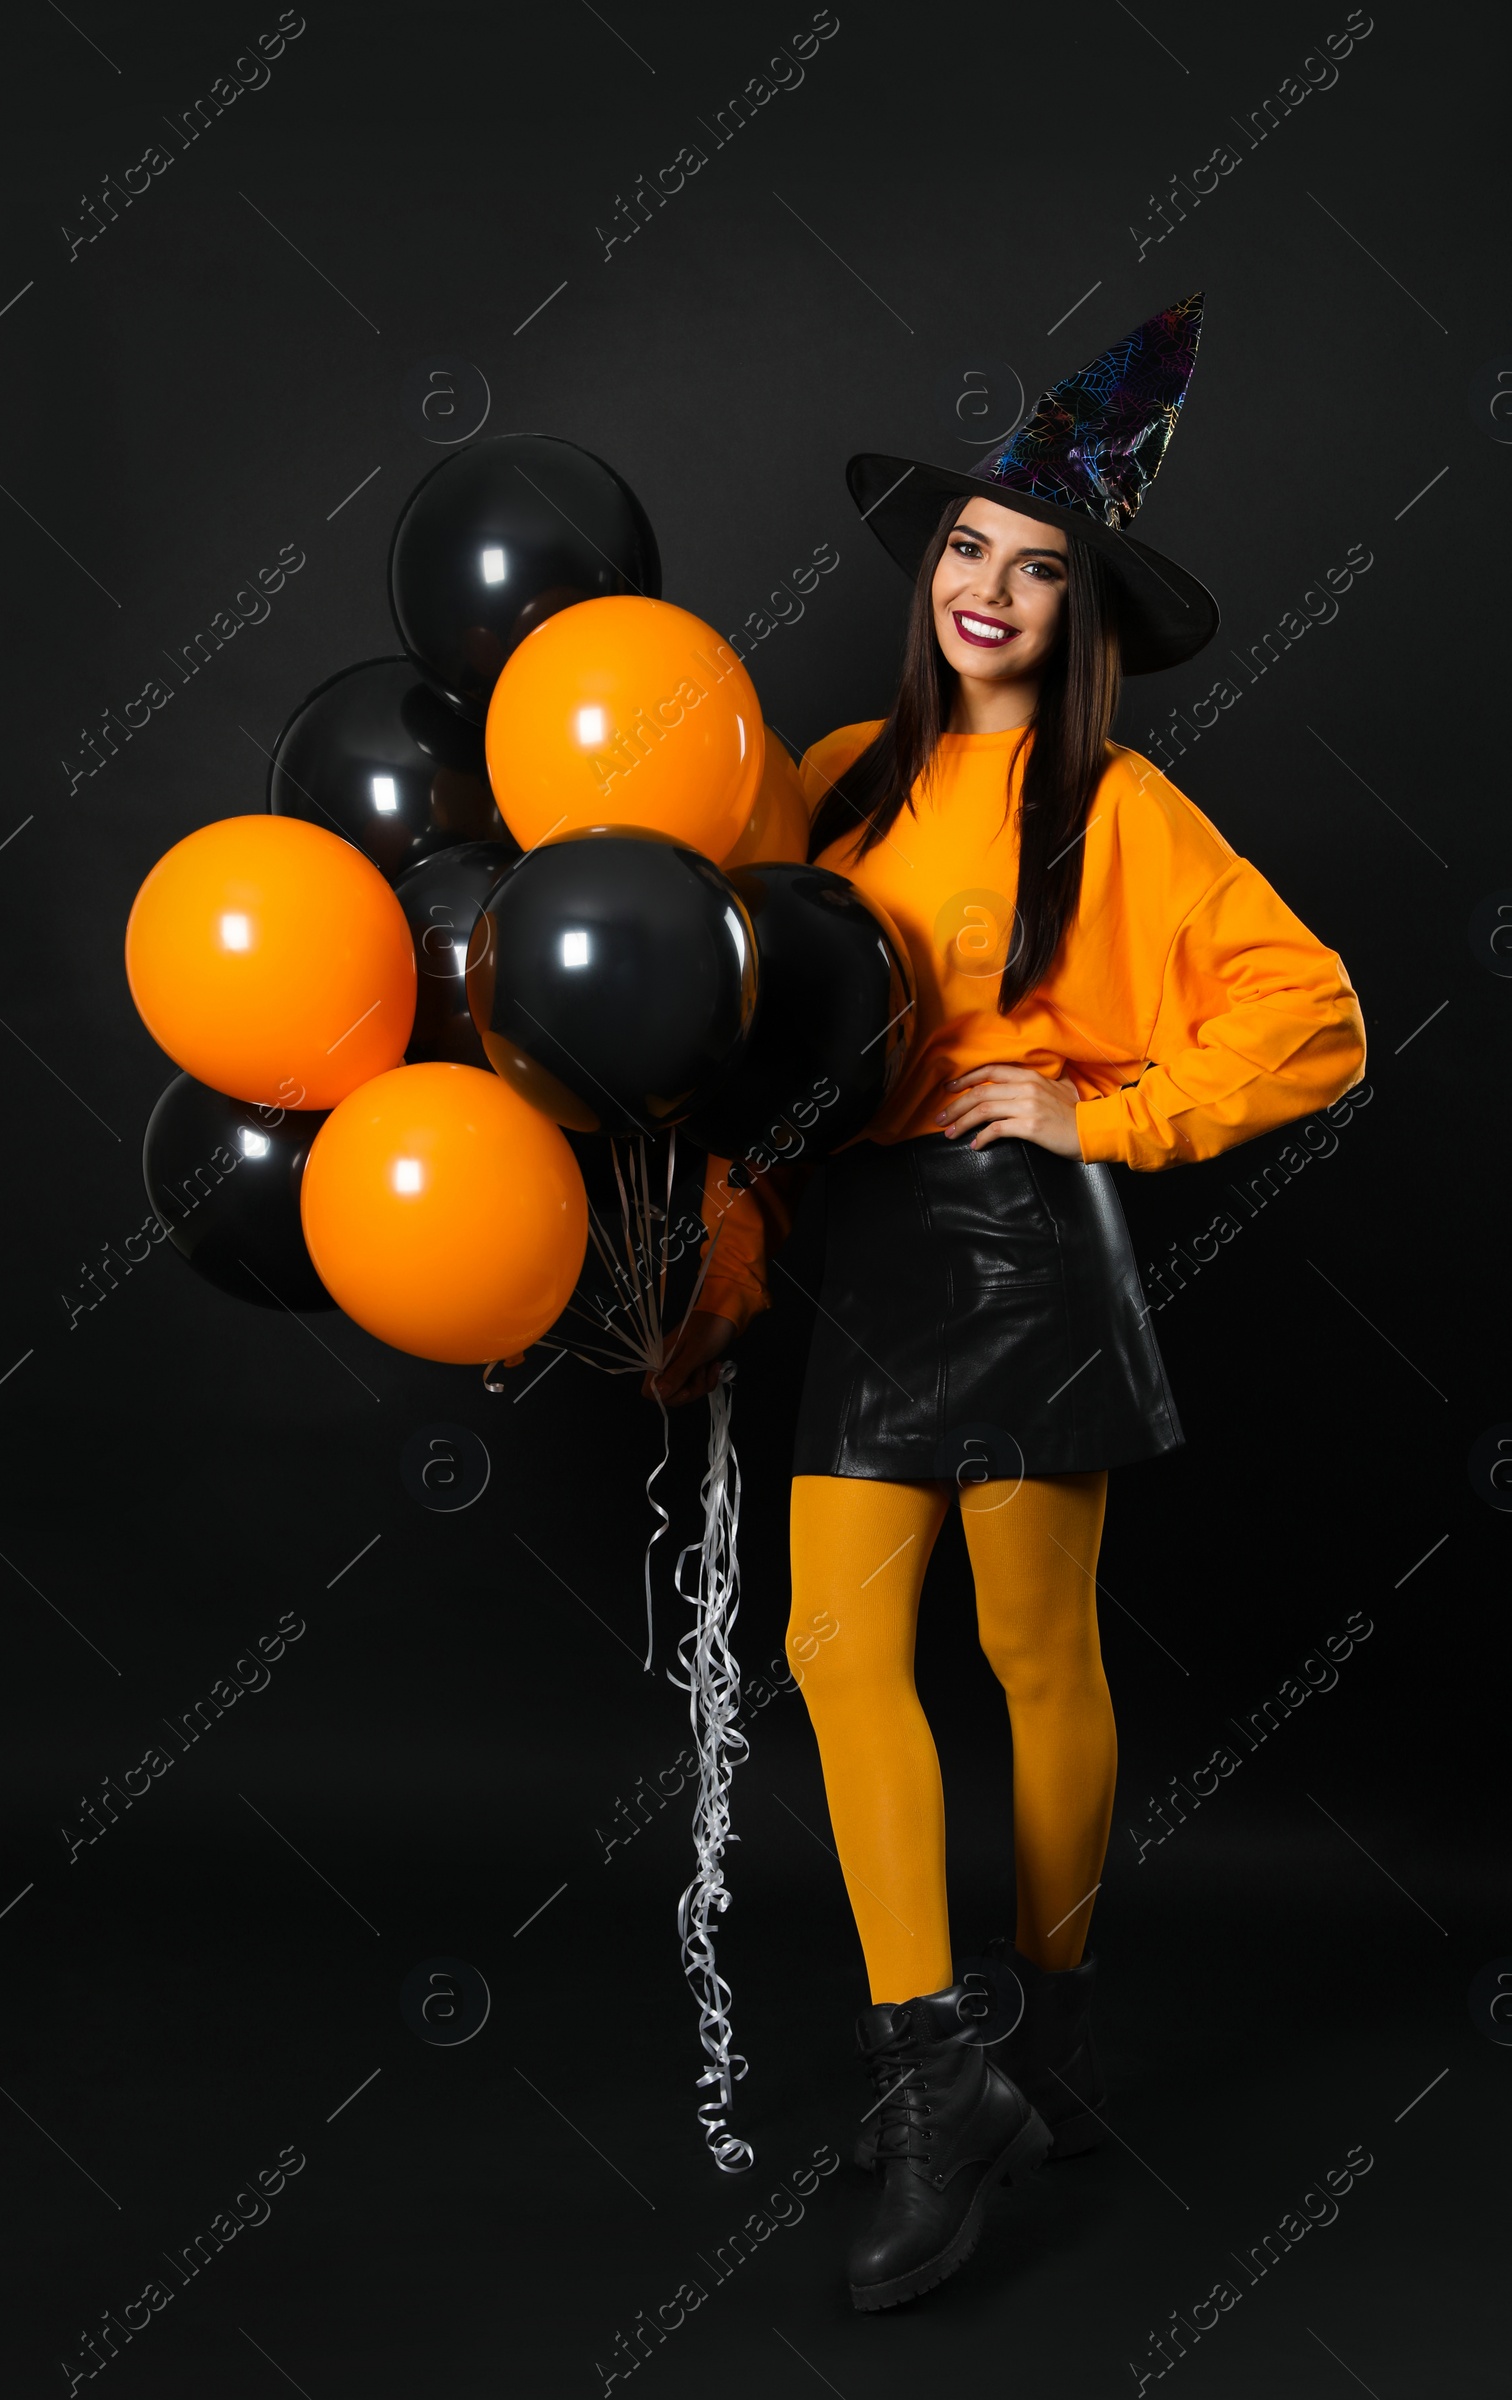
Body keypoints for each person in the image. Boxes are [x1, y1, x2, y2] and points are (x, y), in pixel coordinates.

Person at [646, 293, 1366, 2312]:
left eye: (1036, 568)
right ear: (927, 570)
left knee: (1033, 1657)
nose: (988, 587)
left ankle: (1045, 2030)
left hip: (1031, 1253)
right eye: (968, 547)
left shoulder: (1115, 814)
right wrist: (705, 1239)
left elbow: (1311, 1016)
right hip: (869, 1255)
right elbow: (731, 1013)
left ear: (1081, 612)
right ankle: (932, 2068)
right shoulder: (837, 779)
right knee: (830, 1641)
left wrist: (1104, 1106)